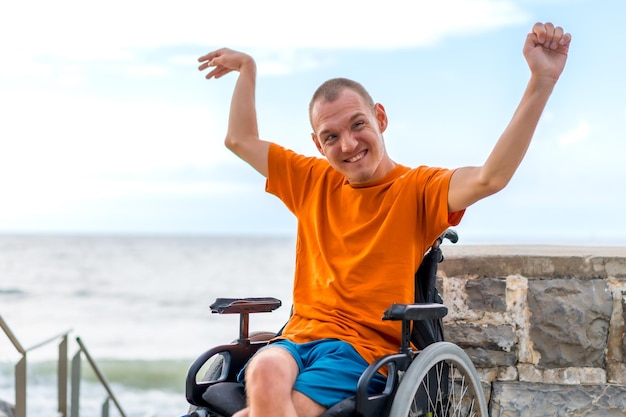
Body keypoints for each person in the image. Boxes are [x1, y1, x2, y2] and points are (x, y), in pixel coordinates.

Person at [197, 22, 571, 417]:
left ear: (380, 117)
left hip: (363, 351)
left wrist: (541, 80)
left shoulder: (417, 189)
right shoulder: (310, 179)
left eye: (358, 124)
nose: (348, 144)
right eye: (330, 136)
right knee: (265, 370)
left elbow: (489, 177)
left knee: (282, 407)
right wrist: (248, 69)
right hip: (296, 339)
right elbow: (239, 140)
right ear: (317, 144)